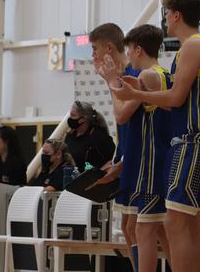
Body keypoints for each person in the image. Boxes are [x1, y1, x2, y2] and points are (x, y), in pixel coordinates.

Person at [112, 0, 200, 272]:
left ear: (176, 15)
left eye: (166, 13)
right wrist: (139, 93)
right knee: (190, 224)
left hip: (192, 141)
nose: (164, 20)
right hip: (189, 143)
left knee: (173, 223)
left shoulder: (193, 46)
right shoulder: (192, 48)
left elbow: (175, 99)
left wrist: (138, 94)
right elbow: (176, 104)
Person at [120, 24, 173, 272]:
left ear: (138, 49)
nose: (129, 56)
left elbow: (121, 114)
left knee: (142, 228)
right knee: (158, 229)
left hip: (152, 162)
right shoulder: (164, 73)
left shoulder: (147, 76)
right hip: (157, 159)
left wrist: (111, 80)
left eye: (130, 50)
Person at [90, 22, 141, 271]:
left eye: (95, 49)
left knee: (142, 228)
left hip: (142, 163)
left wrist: (123, 163)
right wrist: (118, 158)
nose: (93, 56)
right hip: (127, 157)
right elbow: (123, 127)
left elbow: (129, 122)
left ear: (109, 47)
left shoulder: (134, 75)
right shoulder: (119, 76)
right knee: (127, 228)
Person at [64, 101, 115, 173]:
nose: (70, 118)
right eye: (70, 115)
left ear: (83, 119)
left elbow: (111, 160)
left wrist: (99, 172)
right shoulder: (70, 135)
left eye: (73, 115)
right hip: (70, 178)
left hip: (91, 181)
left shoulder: (99, 137)